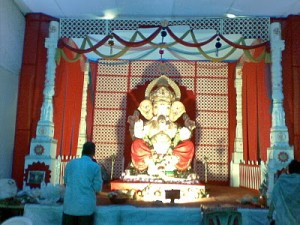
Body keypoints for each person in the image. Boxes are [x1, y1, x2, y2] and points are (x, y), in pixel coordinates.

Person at [128, 75, 195, 174]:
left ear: (171, 109)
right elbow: (139, 137)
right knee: (136, 145)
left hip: (170, 155)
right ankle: (151, 165)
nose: (162, 110)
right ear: (152, 108)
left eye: (167, 107)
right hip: (151, 156)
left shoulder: (174, 125)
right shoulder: (148, 124)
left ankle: (171, 164)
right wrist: (137, 130)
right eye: (157, 106)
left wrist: (186, 133)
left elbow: (181, 138)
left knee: (188, 146)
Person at [62, 141, 103, 225]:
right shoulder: (95, 167)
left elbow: (65, 182)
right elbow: (97, 188)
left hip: (69, 206)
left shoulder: (70, 164)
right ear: (93, 153)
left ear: (82, 151)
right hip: (86, 208)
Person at [268, 159, 300, 225]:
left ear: (289, 170)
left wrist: (269, 215)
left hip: (282, 221)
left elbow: (274, 199)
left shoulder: (281, 181)